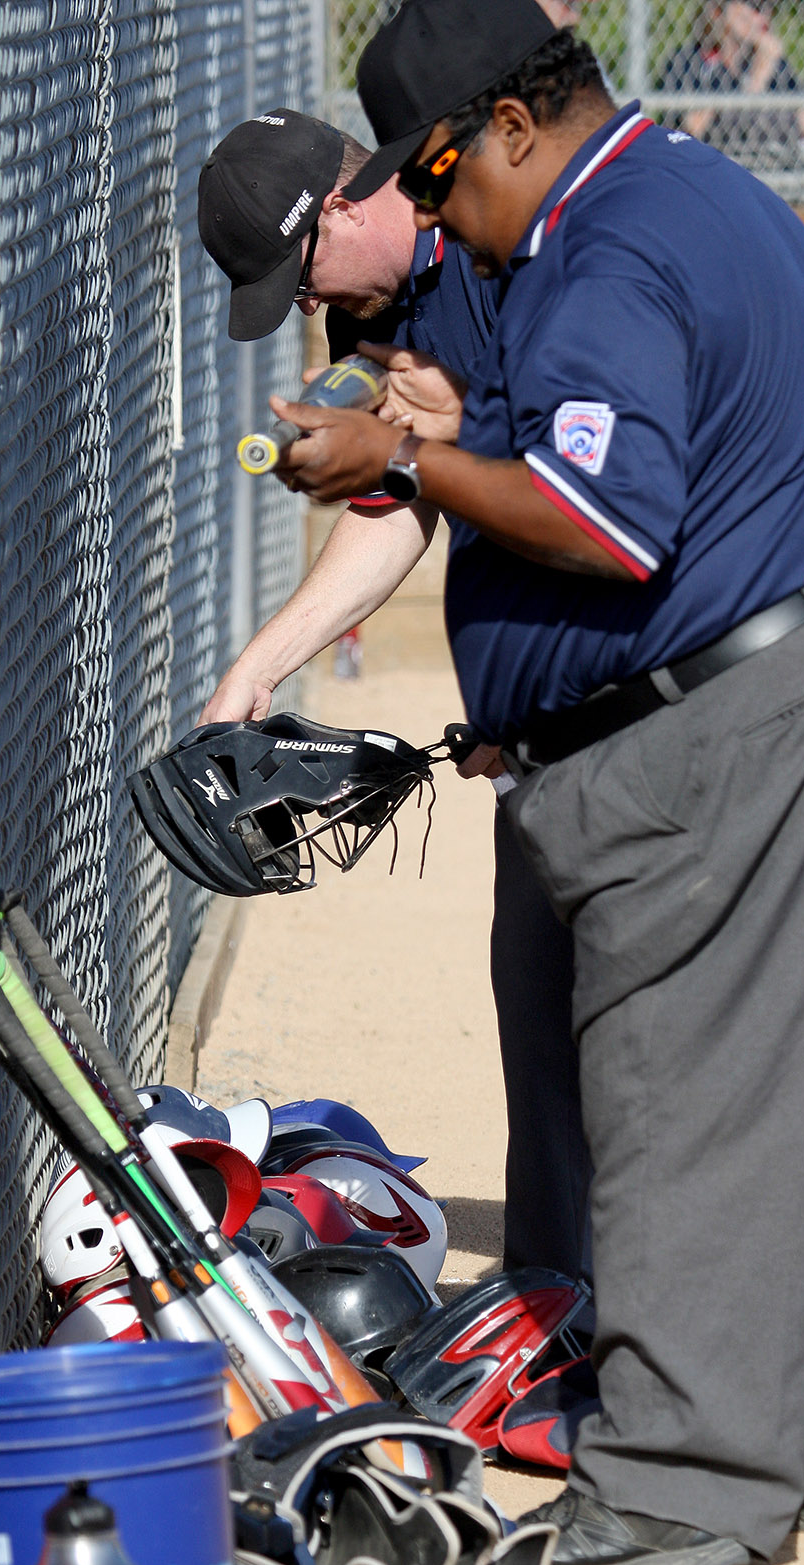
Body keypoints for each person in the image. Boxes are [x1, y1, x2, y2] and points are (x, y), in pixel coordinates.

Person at [267, 0, 804, 1565]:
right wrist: (451, 427)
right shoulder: (679, 187)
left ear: (511, 125)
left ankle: (686, 1486)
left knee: (683, 1088)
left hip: (742, 704)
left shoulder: (605, 245)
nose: (432, 221)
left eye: (433, 184)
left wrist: (404, 456)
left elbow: (606, 522)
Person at [197, 102, 592, 1282]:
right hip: (551, 720)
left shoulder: (518, 246)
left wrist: (415, 446)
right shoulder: (384, 302)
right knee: (535, 995)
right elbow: (399, 505)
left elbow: (589, 496)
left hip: (659, 700)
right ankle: (559, 1301)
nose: (310, 308)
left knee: (649, 1028)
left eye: (302, 270)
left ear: (351, 198)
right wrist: (249, 678)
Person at [661, 0, 804, 155]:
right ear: (718, 11)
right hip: (715, 160)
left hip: (777, 160)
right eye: (753, 5)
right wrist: (755, 79)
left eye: (768, 7)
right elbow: (690, 128)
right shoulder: (691, 59)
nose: (761, 15)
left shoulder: (769, 60)